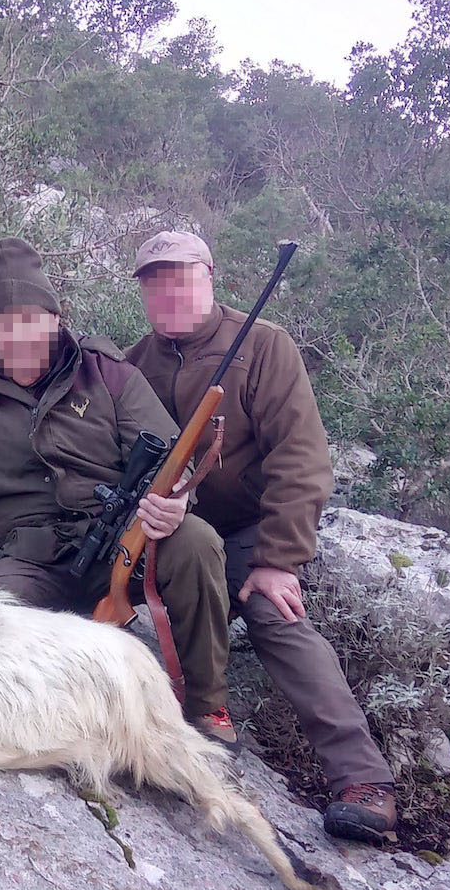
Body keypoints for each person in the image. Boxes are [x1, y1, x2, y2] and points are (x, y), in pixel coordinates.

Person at [126, 228, 396, 843]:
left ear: (210, 276)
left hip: (246, 533)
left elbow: (300, 461)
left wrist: (278, 559)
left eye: (181, 278)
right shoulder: (133, 363)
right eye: (154, 284)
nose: (168, 294)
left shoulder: (265, 347)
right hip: (166, 535)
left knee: (276, 614)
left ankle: (362, 780)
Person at [0, 236, 235, 737]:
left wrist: (175, 501)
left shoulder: (108, 373)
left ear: (54, 319)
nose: (19, 338)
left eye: (31, 322)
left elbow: (173, 459)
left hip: (121, 542)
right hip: (28, 559)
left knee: (195, 541)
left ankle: (206, 705)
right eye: (4, 325)